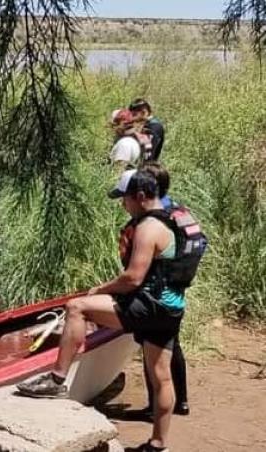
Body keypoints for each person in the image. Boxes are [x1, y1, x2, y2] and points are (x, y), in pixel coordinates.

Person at [16, 169, 205, 452]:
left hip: (148, 304)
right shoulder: (174, 218)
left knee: (77, 307)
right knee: (161, 376)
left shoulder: (148, 227)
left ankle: (56, 380)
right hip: (172, 307)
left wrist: (100, 290)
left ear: (140, 197)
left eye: (125, 199)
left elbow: (133, 278)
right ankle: (157, 444)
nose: (122, 205)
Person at [140, 162, 193, 416]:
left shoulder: (157, 216)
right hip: (176, 286)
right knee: (173, 345)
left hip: (156, 289)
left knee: (152, 350)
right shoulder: (180, 211)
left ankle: (154, 406)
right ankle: (181, 401)